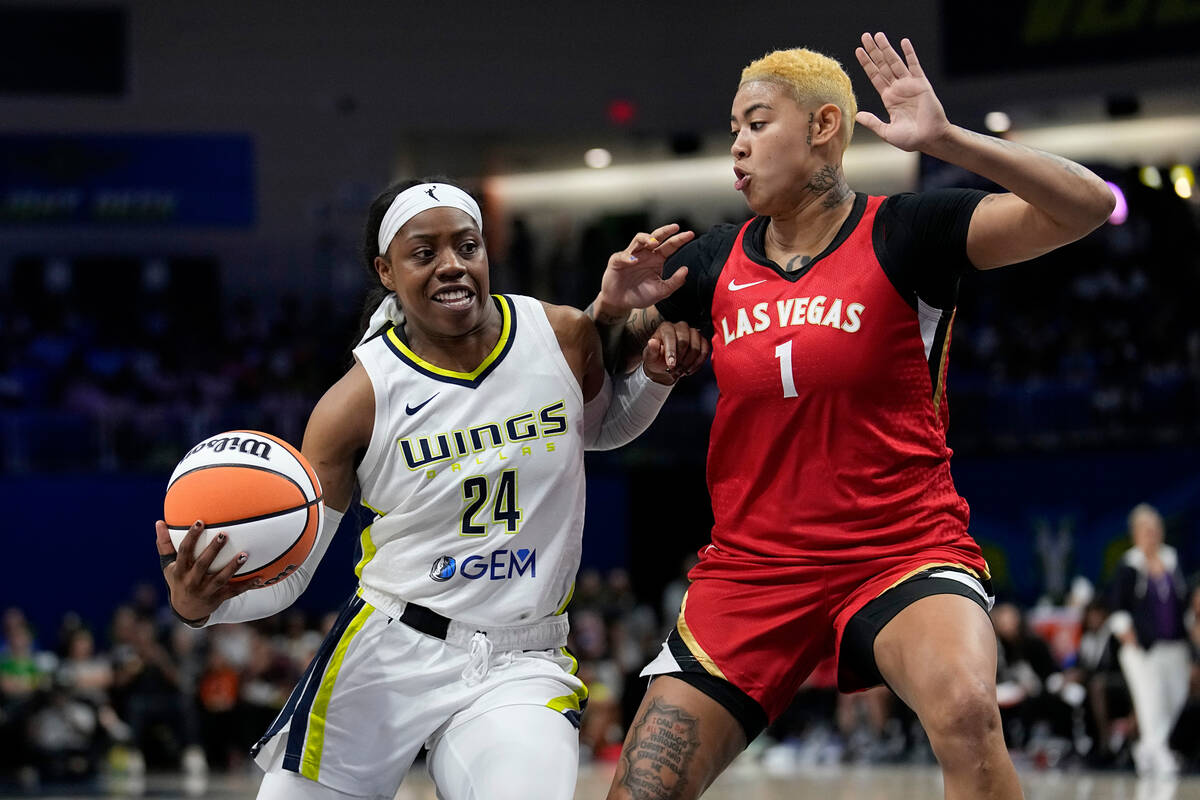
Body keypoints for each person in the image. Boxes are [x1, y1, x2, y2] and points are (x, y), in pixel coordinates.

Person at [588, 32, 1115, 800]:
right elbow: (594, 364)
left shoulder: (908, 232)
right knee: (642, 788)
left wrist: (946, 139)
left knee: (967, 712)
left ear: (824, 128)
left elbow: (1088, 206)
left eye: (757, 123)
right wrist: (616, 313)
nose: (736, 146)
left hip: (899, 547)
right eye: (733, 128)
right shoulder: (711, 260)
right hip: (753, 567)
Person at [154, 177, 708, 800]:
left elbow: (599, 431)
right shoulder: (356, 402)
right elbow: (294, 577)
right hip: (388, 651)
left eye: (467, 246)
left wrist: (656, 379)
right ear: (386, 271)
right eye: (425, 253)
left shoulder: (558, 333)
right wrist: (201, 607)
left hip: (517, 659)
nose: (453, 266)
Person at [1109, 503, 1191, 778]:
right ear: (1135, 533)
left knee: (1176, 699)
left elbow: (1182, 600)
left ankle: (1148, 749)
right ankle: (1158, 752)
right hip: (1143, 648)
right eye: (1145, 530)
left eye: (1155, 529)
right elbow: (1117, 607)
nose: (1151, 535)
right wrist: (1128, 634)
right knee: (1150, 700)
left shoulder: (1171, 560)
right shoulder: (1129, 565)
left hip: (1174, 645)